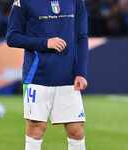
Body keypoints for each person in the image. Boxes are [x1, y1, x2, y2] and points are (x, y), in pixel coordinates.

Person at [6, 0, 89, 149]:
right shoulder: (23, 1)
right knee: (36, 129)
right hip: (37, 75)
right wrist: (45, 43)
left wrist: (81, 72)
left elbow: (81, 36)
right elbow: (12, 37)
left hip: (68, 76)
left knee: (76, 130)